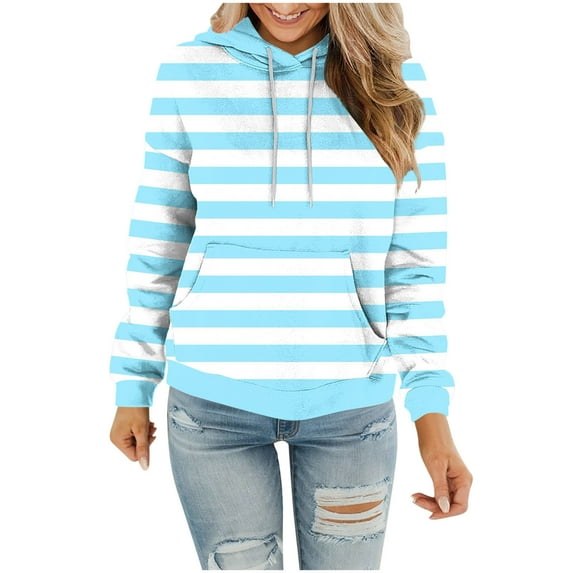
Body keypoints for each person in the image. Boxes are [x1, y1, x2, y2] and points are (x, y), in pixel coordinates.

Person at [109, 2, 473, 569]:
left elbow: (414, 266)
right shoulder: (189, 70)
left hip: (352, 411)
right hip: (212, 405)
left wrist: (431, 412)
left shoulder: (395, 81)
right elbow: (161, 237)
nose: (283, 4)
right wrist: (134, 383)